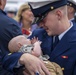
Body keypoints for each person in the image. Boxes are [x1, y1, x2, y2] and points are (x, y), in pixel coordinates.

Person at [0, 0, 50, 75]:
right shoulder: (12, 25)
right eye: (30, 10)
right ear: (22, 12)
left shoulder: (37, 28)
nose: (32, 13)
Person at [28, 0, 76, 75]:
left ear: (58, 15)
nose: (40, 25)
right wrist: (23, 58)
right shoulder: (38, 34)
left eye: (43, 20)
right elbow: (8, 58)